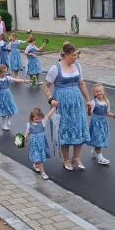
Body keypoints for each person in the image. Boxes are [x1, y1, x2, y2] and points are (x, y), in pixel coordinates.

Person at [45, 43, 91, 171]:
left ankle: (76, 158)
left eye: (76, 55)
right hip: (62, 103)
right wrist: (51, 99)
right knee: (64, 129)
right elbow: (46, 86)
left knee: (78, 128)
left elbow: (81, 83)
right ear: (65, 55)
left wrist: (88, 100)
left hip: (76, 102)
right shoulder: (55, 68)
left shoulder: (78, 66)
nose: (76, 57)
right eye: (73, 55)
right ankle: (66, 159)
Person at [87, 84, 115, 165]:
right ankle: (100, 158)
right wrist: (89, 108)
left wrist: (114, 115)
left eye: (100, 91)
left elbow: (107, 113)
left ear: (104, 92)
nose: (99, 93)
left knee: (101, 137)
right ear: (94, 94)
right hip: (96, 122)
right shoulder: (93, 102)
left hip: (103, 122)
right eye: (96, 92)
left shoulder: (107, 102)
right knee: (98, 138)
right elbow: (89, 114)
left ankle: (95, 148)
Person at [26, 104, 58, 180]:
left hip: (42, 144)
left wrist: (54, 107)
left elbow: (49, 115)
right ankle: (42, 172)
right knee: (39, 157)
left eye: (40, 118)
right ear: (32, 118)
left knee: (39, 156)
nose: (38, 120)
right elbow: (27, 133)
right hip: (34, 144)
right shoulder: (29, 124)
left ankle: (36, 164)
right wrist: (24, 139)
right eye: (36, 119)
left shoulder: (43, 122)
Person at [0, 64, 28, 131]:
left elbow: (16, 80)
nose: (6, 73)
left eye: (6, 71)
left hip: (8, 95)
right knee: (3, 110)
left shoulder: (7, 78)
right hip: (1, 96)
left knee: (12, 108)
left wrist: (24, 81)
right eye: (4, 72)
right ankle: (4, 125)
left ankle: (8, 119)